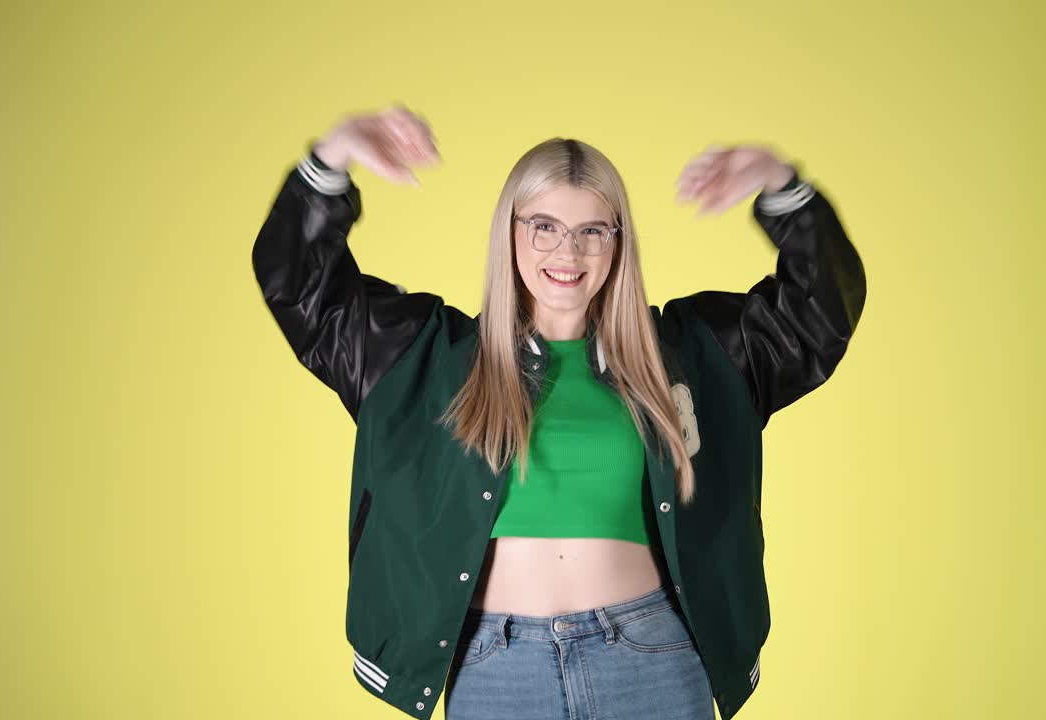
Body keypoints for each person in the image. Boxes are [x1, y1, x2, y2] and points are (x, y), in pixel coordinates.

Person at [252, 103, 867, 720]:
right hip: (494, 666)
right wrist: (329, 161)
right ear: (511, 230)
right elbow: (303, 289)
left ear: (617, 240)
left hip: (650, 658)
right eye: (543, 225)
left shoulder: (691, 355)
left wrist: (782, 185)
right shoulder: (424, 358)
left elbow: (817, 315)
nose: (567, 251)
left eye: (592, 230)